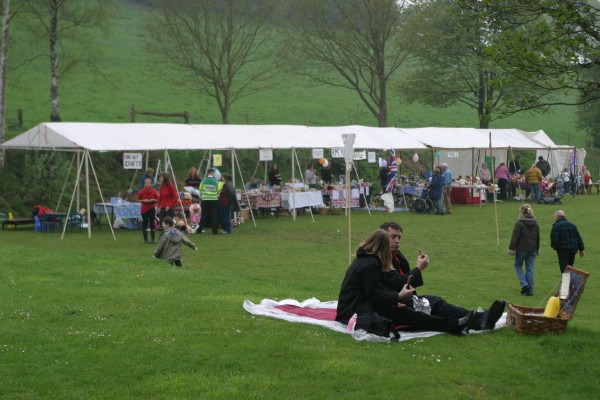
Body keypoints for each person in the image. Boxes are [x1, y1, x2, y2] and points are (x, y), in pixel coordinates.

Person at [335, 229, 477, 335]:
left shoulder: (364, 260)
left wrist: (394, 300)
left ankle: (463, 321)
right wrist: (398, 297)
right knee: (407, 314)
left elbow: (374, 291)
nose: (396, 242)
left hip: (358, 305)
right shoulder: (371, 264)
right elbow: (375, 295)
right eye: (393, 238)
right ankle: (454, 325)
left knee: (424, 304)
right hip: (355, 310)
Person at [378, 221, 505, 331]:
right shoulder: (380, 259)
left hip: (404, 298)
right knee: (433, 305)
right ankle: (475, 321)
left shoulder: (398, 256)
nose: (397, 241)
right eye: (393, 237)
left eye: (399, 237)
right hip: (393, 302)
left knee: (435, 302)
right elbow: (396, 282)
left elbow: (408, 282)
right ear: (382, 237)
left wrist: (417, 273)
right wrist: (418, 268)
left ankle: (480, 317)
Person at [507, 204, 540, 296]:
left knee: (518, 266)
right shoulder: (535, 222)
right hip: (533, 248)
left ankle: (524, 284)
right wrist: (537, 248)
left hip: (522, 248)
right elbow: (538, 236)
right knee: (530, 270)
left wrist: (511, 249)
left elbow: (515, 236)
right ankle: (530, 291)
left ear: (521, 211)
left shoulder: (519, 223)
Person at [197, 168, 221, 235]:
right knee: (214, 215)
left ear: (208, 173)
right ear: (212, 173)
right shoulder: (216, 181)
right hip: (214, 200)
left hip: (205, 199)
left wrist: (203, 195)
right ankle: (215, 231)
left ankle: (200, 230)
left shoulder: (203, 180)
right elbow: (218, 190)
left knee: (204, 215)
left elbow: (200, 189)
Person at [137, 177, 159, 244]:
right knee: (145, 223)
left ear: (151, 184)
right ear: (144, 184)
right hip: (144, 209)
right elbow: (138, 199)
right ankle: (146, 239)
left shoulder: (154, 191)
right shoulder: (142, 191)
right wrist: (144, 200)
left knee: (152, 222)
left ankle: (153, 239)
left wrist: (153, 200)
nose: (147, 184)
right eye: (146, 183)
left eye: (148, 183)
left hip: (151, 208)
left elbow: (158, 199)